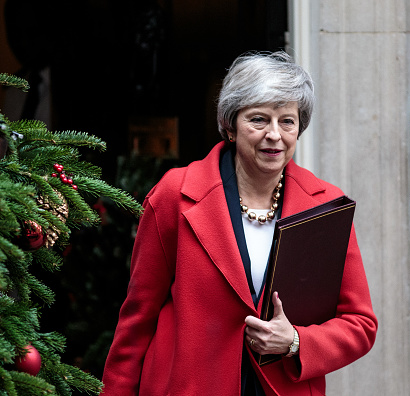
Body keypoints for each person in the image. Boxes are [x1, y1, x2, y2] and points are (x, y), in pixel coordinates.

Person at [101, 51, 378, 395]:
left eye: (287, 121)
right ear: (230, 126)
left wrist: (294, 341)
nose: (274, 135)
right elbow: (137, 322)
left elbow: (360, 325)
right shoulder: (174, 195)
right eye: (259, 119)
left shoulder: (325, 206)